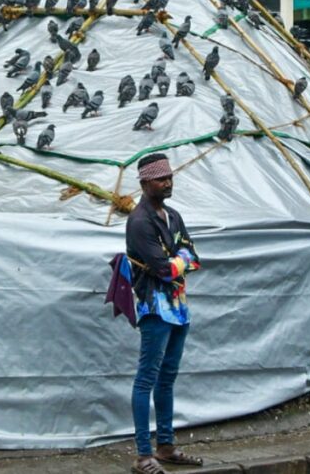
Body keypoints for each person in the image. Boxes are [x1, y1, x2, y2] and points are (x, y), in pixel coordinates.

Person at [126, 153, 203, 474]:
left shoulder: (172, 215)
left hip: (179, 307)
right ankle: (144, 455)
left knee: (167, 377)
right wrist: (178, 260)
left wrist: (177, 261)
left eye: (170, 177)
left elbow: (194, 256)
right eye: (161, 179)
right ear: (145, 183)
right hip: (155, 307)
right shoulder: (140, 221)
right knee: (147, 378)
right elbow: (163, 269)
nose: (168, 182)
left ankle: (166, 446)